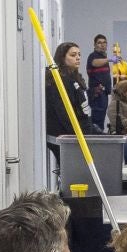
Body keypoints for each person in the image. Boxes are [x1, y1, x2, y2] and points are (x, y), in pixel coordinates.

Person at [46, 41, 94, 175]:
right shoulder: (58, 80)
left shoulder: (74, 77)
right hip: (67, 136)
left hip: (82, 132)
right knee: (72, 173)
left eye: (79, 54)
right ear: (62, 57)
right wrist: (74, 137)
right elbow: (63, 113)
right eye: (73, 55)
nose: (77, 58)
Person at [84, 35, 112, 129]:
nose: (102, 45)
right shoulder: (93, 56)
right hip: (97, 93)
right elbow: (95, 62)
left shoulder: (103, 57)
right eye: (99, 43)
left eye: (104, 42)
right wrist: (109, 59)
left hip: (103, 93)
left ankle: (98, 135)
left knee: (100, 118)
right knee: (97, 120)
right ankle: (96, 136)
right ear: (95, 45)